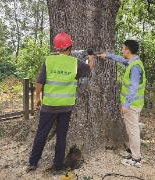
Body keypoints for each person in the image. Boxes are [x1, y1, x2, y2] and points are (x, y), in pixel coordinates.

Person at [26, 32, 94, 174]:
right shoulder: (76, 63)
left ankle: (33, 163)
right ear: (70, 46)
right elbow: (90, 68)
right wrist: (91, 56)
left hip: (49, 105)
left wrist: (37, 98)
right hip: (66, 106)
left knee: (41, 134)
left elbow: (39, 82)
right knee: (61, 136)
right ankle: (57, 165)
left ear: (56, 48)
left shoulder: (49, 60)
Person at [98, 40, 146, 168]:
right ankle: (133, 154)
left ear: (128, 51)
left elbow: (134, 88)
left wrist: (126, 104)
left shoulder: (135, 67)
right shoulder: (132, 62)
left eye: (123, 48)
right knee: (131, 130)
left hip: (131, 104)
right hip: (132, 104)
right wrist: (106, 55)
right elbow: (119, 59)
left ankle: (136, 159)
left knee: (133, 131)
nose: (122, 50)